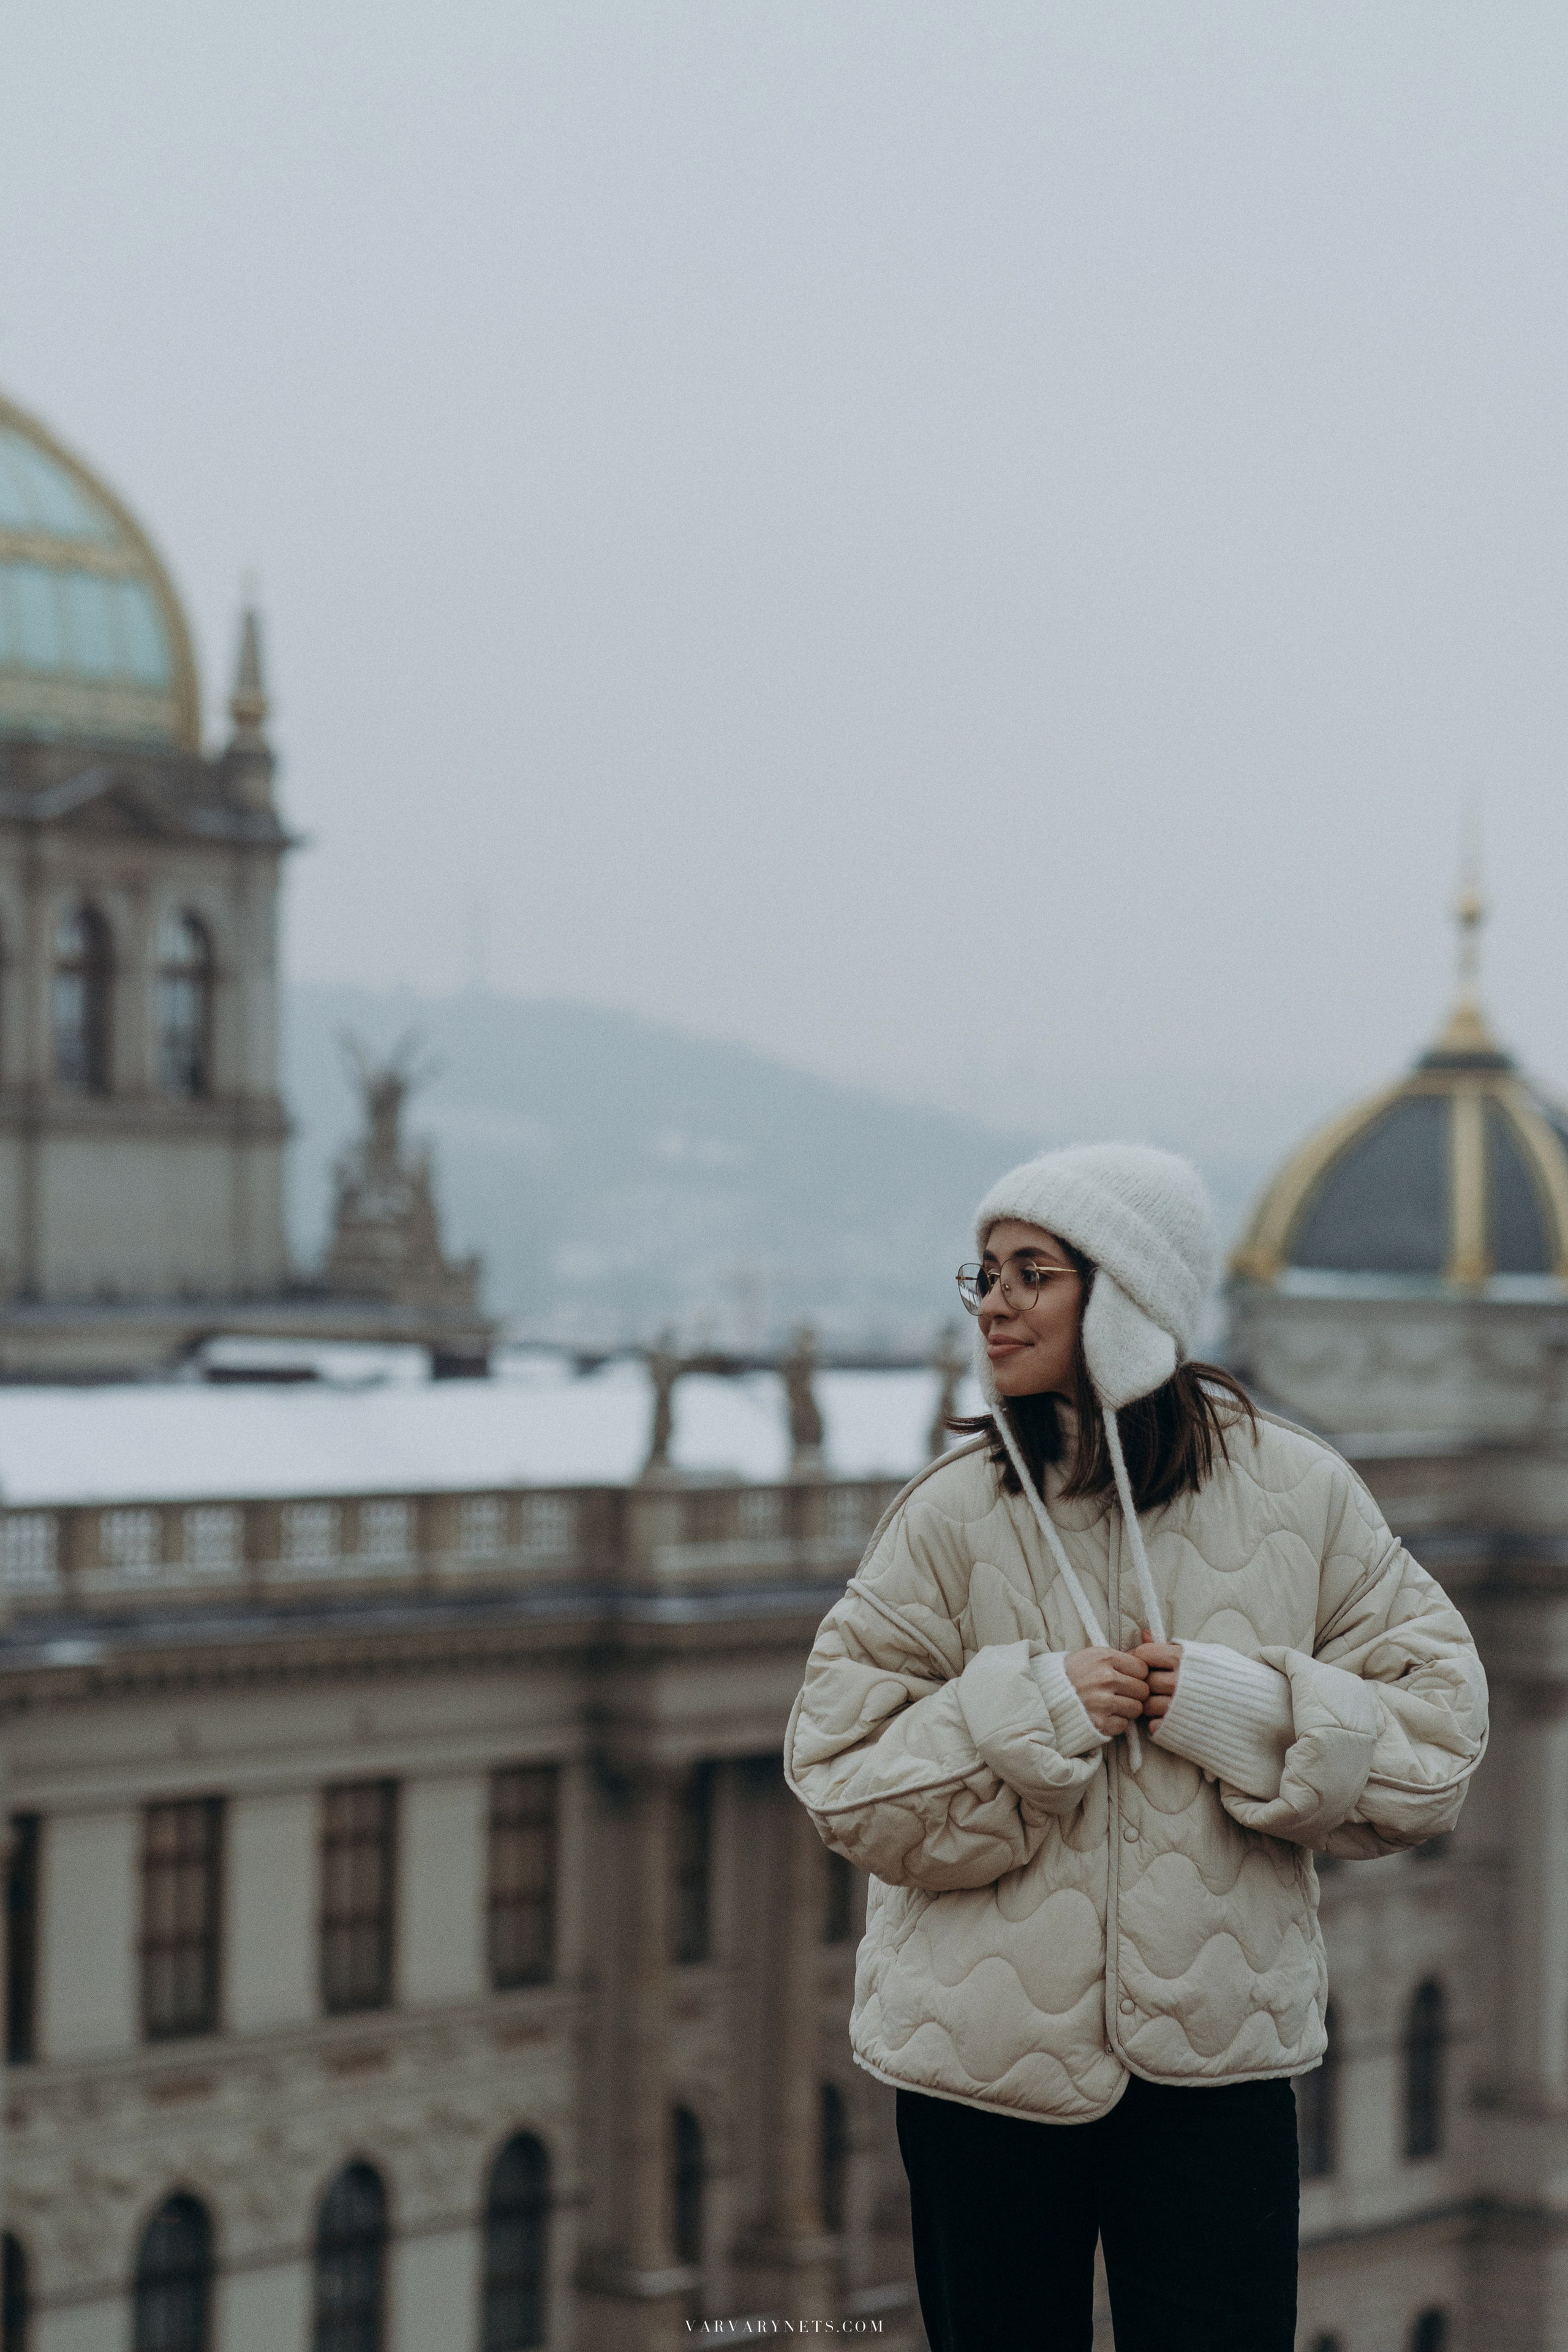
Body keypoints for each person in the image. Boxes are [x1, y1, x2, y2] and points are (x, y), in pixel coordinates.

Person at [784, 1145, 1487, 2351]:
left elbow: (1437, 1749)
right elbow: (838, 1779)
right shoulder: (946, 1515)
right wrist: (1033, 1715)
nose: (992, 1304)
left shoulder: (1299, 1495)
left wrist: (1243, 1711)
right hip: (977, 2080)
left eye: (1030, 1273)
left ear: (1123, 1296)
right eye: (984, 1274)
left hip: (1214, 2076)